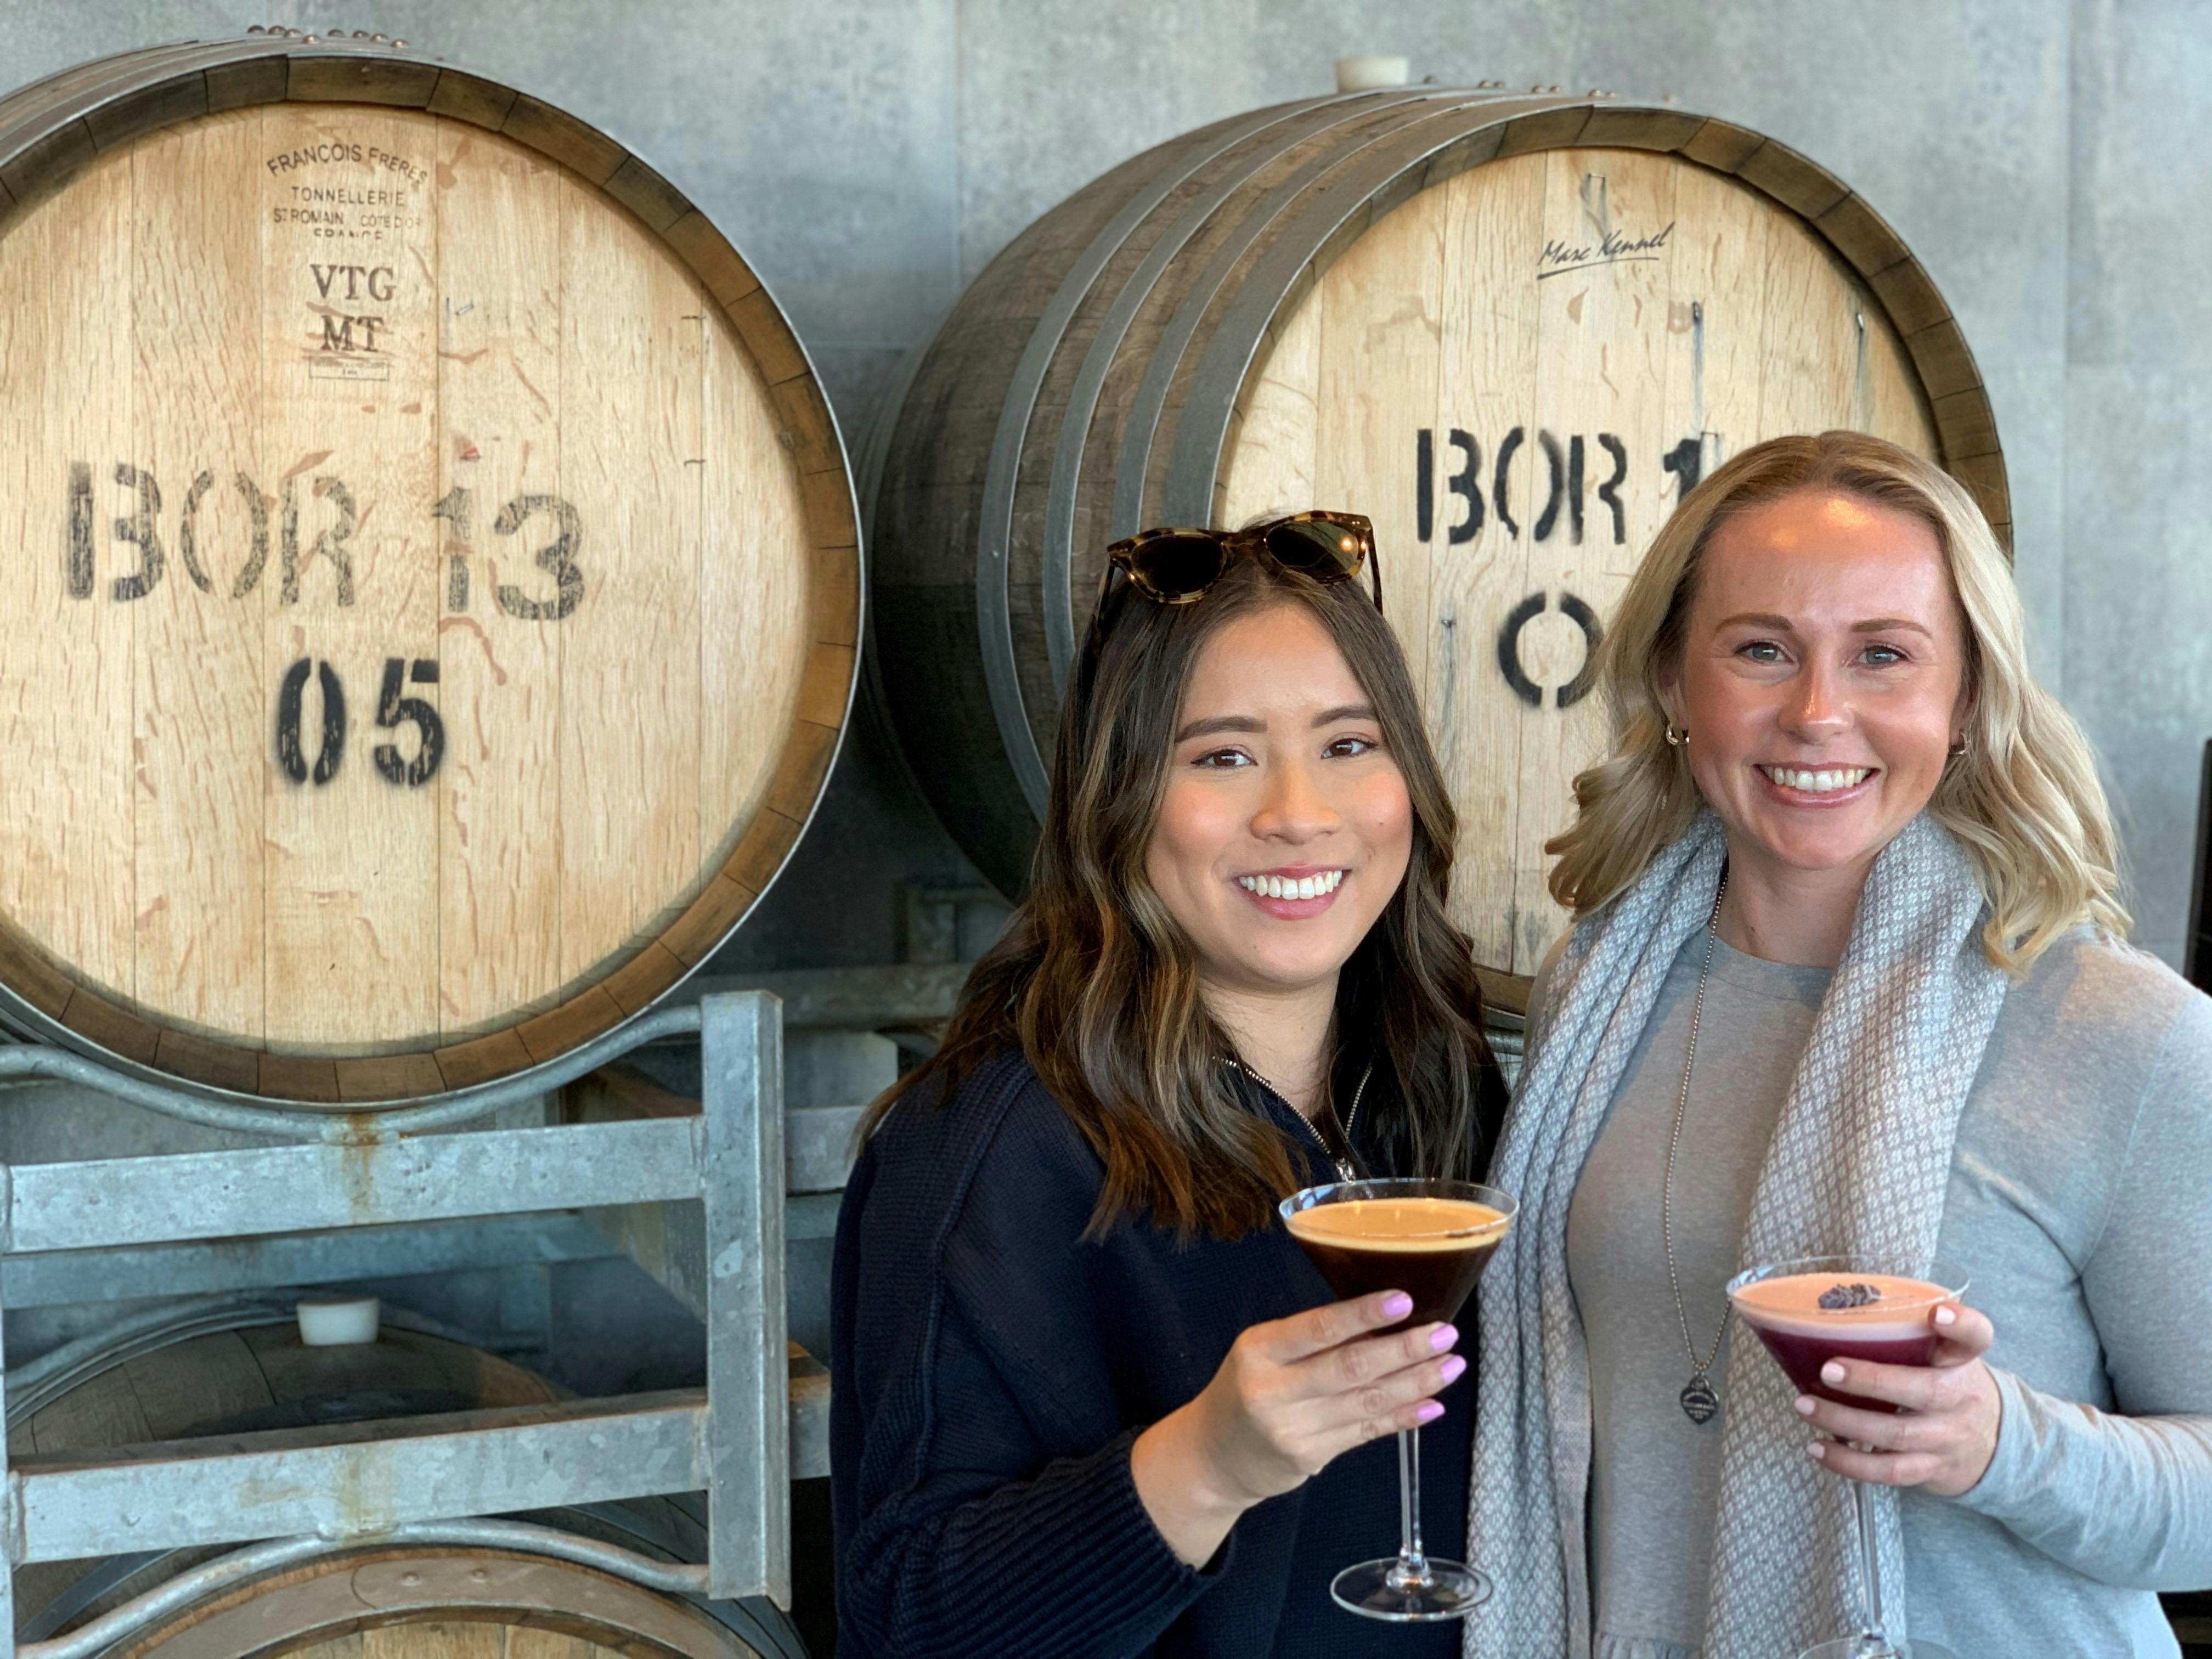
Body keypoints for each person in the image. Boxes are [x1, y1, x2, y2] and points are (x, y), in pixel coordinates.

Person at [1465, 430, 2212, 1659]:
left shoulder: (2121, 1037)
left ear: (1966, 696)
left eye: (1884, 656)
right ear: (1671, 684)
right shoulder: (1596, 991)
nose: (1818, 714)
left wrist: (1997, 1444)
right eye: (1761, 649)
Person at [830, 512, 1509, 1658]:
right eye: (1223, 755)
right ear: (1121, 799)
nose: (1299, 813)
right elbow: (907, 1619)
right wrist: (1207, 1463)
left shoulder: (1440, 1084)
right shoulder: (994, 1146)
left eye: (1349, 744)